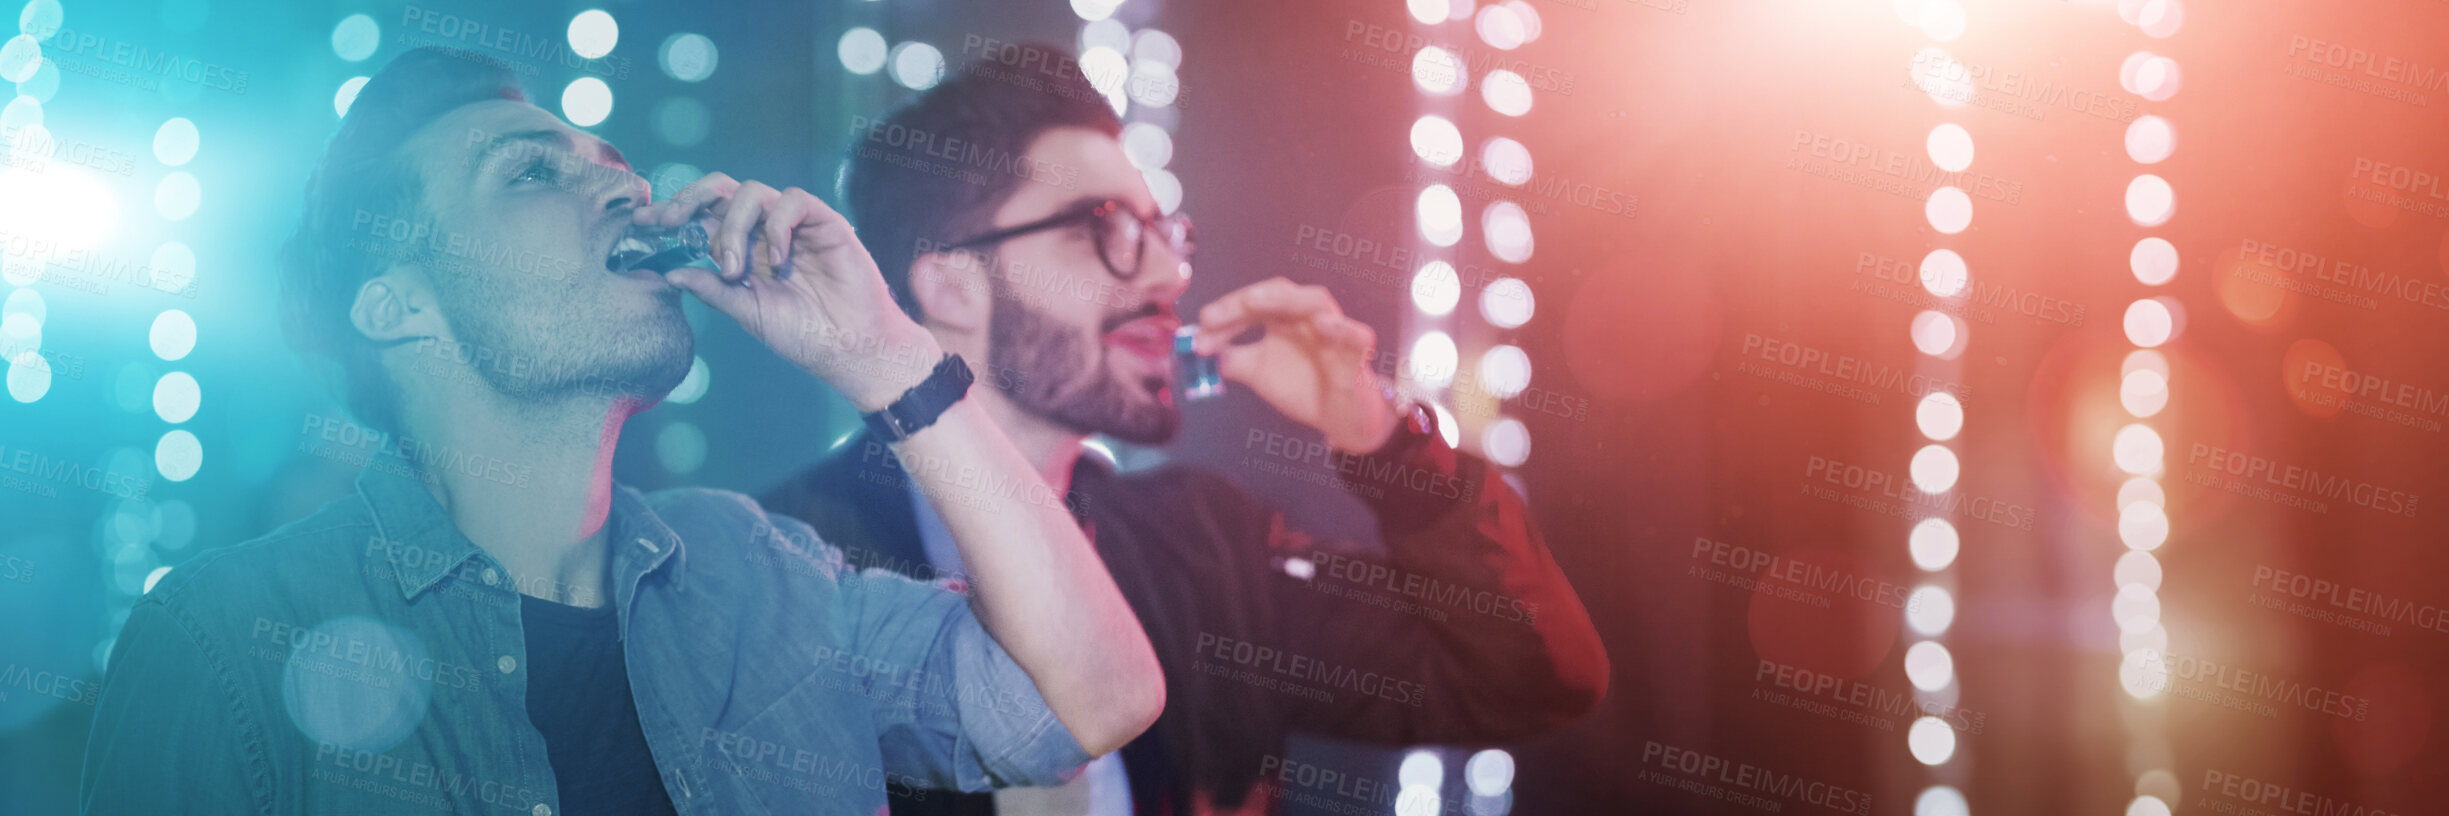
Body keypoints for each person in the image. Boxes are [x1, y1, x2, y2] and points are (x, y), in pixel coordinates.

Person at [78, 47, 1164, 816]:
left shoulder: (762, 572)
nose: (619, 183)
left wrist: (883, 357)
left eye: (605, 160)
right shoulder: (224, 635)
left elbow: (1093, 702)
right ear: (397, 304)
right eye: (531, 173)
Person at [761, 42, 1611, 816]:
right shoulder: (782, 565)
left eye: (1165, 232)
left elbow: (1534, 679)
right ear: (950, 284)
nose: (1170, 272)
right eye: (1107, 228)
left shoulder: (1204, 543)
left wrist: (1383, 441)